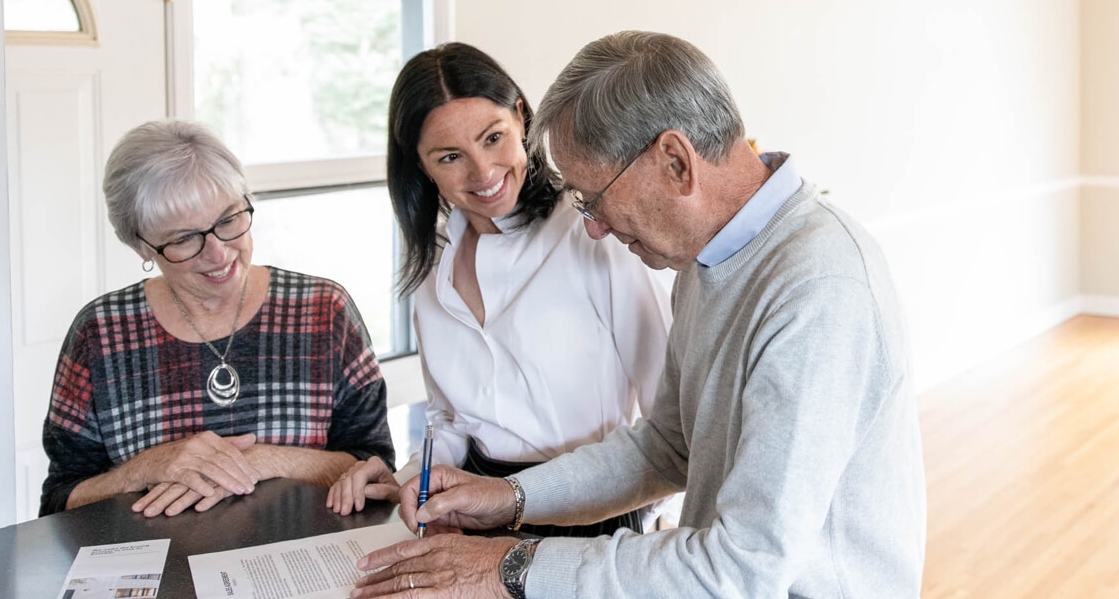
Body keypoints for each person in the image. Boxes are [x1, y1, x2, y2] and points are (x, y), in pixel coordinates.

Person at [354, 31, 926, 598]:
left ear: (675, 162)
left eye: (592, 198)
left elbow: (744, 567)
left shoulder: (818, 290)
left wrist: (508, 565)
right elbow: (666, 447)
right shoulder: (707, 264)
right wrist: (511, 498)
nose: (593, 226)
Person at [323, 42, 672, 539]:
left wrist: (650, 519)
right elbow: (451, 419)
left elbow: (672, 413)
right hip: (470, 509)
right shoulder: (433, 262)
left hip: (591, 512)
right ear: (421, 166)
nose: (484, 173)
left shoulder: (594, 234)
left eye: (493, 138)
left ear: (522, 118)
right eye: (450, 156)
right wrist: (411, 478)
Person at [40, 121, 394, 518]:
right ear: (141, 245)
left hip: (302, 569)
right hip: (161, 572)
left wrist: (262, 461)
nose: (219, 253)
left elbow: (378, 475)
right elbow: (59, 503)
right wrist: (144, 469)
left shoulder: (324, 311)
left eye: (228, 220)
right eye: (185, 238)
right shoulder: (99, 333)